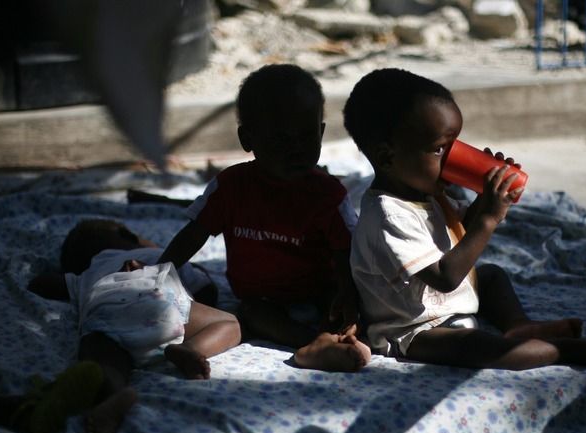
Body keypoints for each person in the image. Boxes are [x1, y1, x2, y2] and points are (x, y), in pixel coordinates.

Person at [343, 68, 586, 371]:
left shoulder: (424, 190)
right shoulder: (388, 215)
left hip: (446, 303)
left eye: (456, 146)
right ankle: (559, 351)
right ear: (387, 158)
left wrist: (487, 199)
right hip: (414, 327)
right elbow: (445, 277)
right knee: (480, 349)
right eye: (440, 150)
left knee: (491, 276)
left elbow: (462, 228)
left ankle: (518, 327)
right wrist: (487, 220)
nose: (451, 159)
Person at [158, 63, 371, 372]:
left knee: (343, 308)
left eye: (306, 136)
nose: (296, 149)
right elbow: (194, 233)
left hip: (318, 288)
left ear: (322, 133)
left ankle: (326, 337)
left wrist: (348, 298)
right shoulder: (231, 186)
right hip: (259, 296)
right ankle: (312, 343)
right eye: (281, 139)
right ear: (248, 139)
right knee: (253, 314)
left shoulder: (329, 195)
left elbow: (344, 254)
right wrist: (158, 275)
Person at [27, 220, 241, 433]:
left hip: (107, 311)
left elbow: (42, 284)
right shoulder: (158, 255)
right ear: (130, 237)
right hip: (161, 305)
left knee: (105, 364)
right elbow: (207, 289)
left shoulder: (87, 274)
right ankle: (190, 348)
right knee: (229, 323)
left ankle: (114, 396)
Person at [30, 219, 218, 307]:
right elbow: (203, 283)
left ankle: (115, 382)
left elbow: (41, 283)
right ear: (129, 236)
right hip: (174, 305)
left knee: (103, 347)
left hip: (121, 315)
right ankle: (191, 341)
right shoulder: (154, 254)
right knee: (219, 314)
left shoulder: (94, 273)